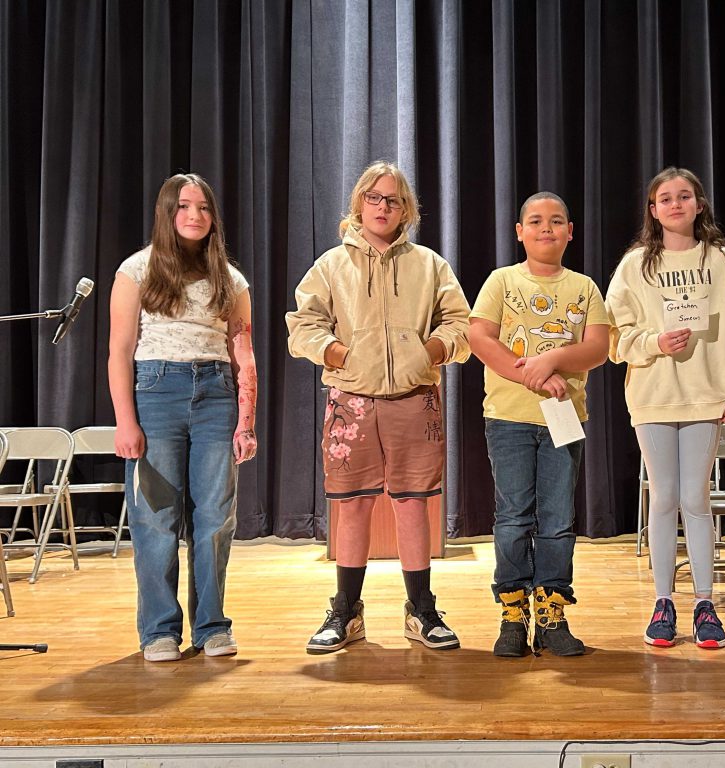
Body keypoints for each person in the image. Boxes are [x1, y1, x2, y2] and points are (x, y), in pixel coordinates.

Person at [286, 161, 470, 655]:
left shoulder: (430, 265)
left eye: (392, 199)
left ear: (405, 208)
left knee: (413, 506)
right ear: (359, 204)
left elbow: (459, 322)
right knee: (352, 506)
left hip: (415, 399)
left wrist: (428, 353)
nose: (383, 207)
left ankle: (422, 610)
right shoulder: (331, 265)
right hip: (352, 401)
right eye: (374, 198)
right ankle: (345, 612)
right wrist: (339, 354)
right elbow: (302, 324)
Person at [109, 173, 258, 662]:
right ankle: (159, 630)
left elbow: (244, 353)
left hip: (216, 392)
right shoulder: (137, 269)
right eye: (184, 207)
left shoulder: (229, 279)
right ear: (167, 213)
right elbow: (119, 352)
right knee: (156, 518)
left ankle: (212, 625)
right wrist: (126, 422)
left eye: (203, 208)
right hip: (156, 391)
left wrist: (246, 419)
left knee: (216, 517)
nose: (195, 216)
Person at [605, 167, 725, 650]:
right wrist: (654, 342)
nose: (674, 204)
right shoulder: (634, 266)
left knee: (697, 497)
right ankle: (663, 600)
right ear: (653, 209)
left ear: (699, 204)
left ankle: (705, 603)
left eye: (683, 196)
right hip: (652, 397)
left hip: (706, 395)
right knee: (664, 496)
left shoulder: (723, 261)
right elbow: (614, 338)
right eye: (664, 198)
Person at [469, 192, 609, 658]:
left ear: (571, 231)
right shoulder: (501, 281)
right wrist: (526, 373)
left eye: (555, 221)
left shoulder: (584, 287)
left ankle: (552, 610)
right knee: (512, 517)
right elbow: (479, 337)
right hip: (508, 418)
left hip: (563, 420)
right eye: (535, 221)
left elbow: (596, 348)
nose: (545, 228)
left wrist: (549, 360)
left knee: (557, 520)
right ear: (519, 232)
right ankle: (512, 609)